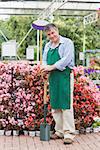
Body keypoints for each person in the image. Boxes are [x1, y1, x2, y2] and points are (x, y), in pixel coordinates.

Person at [41, 23, 75, 144]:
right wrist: (44, 68)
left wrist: (51, 67)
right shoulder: (48, 45)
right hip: (53, 76)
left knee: (65, 105)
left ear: (57, 31)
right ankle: (59, 131)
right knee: (55, 105)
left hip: (64, 75)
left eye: (53, 33)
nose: (51, 36)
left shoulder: (67, 43)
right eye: (49, 34)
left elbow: (66, 59)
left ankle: (69, 133)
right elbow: (44, 59)